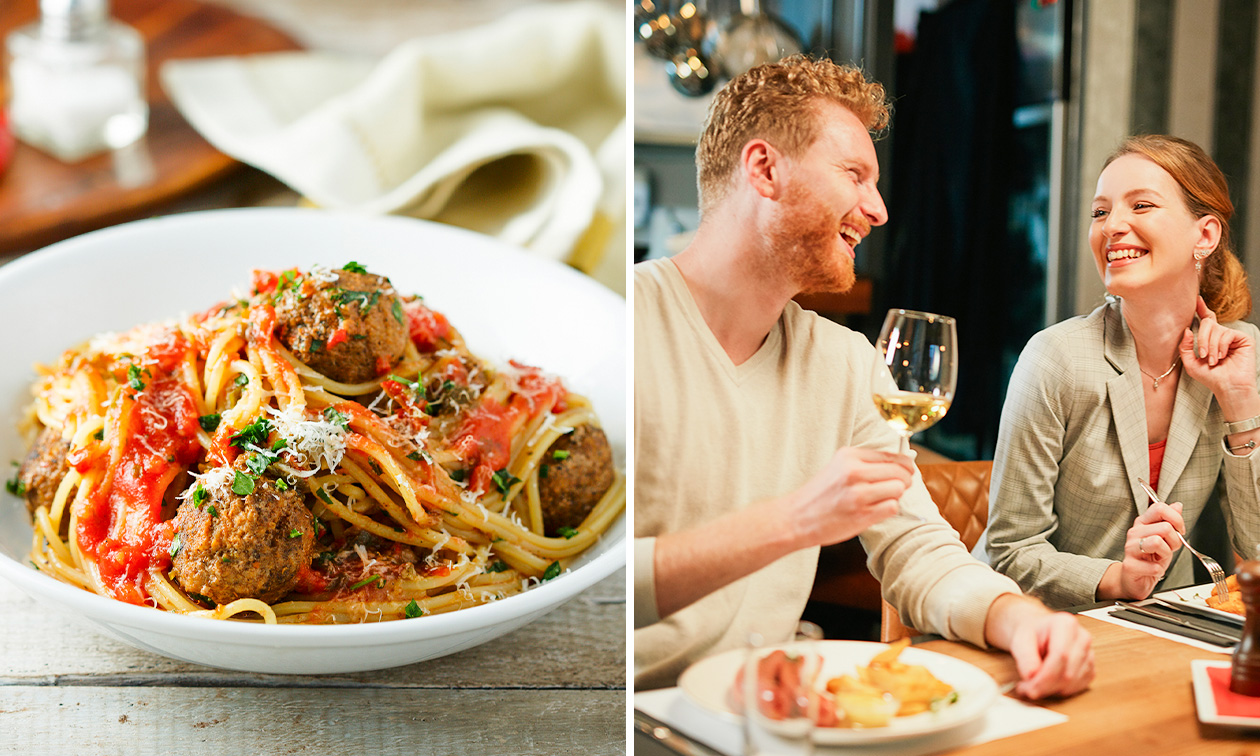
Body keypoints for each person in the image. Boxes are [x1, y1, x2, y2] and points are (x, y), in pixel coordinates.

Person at [633, 54, 1094, 697]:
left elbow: (916, 546)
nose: (877, 209)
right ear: (764, 169)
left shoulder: (847, 363)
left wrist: (1017, 618)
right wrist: (795, 520)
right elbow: (579, 591)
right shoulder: (617, 325)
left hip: (770, 706)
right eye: (854, 174)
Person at [986, 134, 1260, 610]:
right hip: (1037, 626)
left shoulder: (1239, 354)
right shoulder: (1057, 357)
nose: (1113, 226)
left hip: (1158, 629)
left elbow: (1256, 549)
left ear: (1206, 235)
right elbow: (1009, 553)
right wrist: (1118, 578)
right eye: (1100, 212)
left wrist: (1239, 402)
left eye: (1142, 206)